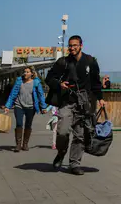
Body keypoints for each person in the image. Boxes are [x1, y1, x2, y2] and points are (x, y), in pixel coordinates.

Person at [45, 35, 105, 175]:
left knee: (80, 135)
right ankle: (61, 152)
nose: (72, 48)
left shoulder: (90, 62)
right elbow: (49, 78)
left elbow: (96, 82)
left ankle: (74, 164)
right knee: (62, 131)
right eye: (70, 45)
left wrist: (100, 98)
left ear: (81, 46)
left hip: (84, 103)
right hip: (67, 101)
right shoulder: (63, 62)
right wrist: (59, 84)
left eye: (75, 45)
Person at [3, 67, 48, 152]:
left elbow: (40, 95)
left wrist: (44, 107)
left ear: (32, 73)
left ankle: (25, 144)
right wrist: (8, 106)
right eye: (24, 72)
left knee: (28, 124)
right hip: (19, 105)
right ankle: (18, 145)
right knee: (19, 124)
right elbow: (13, 94)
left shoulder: (36, 82)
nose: (25, 73)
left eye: (27, 72)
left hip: (31, 107)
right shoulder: (19, 81)